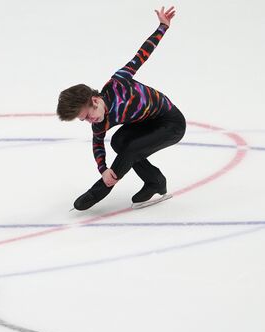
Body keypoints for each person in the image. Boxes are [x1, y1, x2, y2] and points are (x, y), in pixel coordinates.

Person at [57, 6, 186, 210]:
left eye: (88, 115)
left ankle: (100, 190)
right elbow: (97, 144)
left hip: (171, 123)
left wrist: (163, 26)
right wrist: (103, 169)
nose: (90, 121)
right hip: (146, 124)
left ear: (95, 100)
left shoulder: (119, 83)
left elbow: (143, 53)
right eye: (84, 120)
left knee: (132, 148)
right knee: (119, 142)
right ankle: (155, 181)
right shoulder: (100, 121)